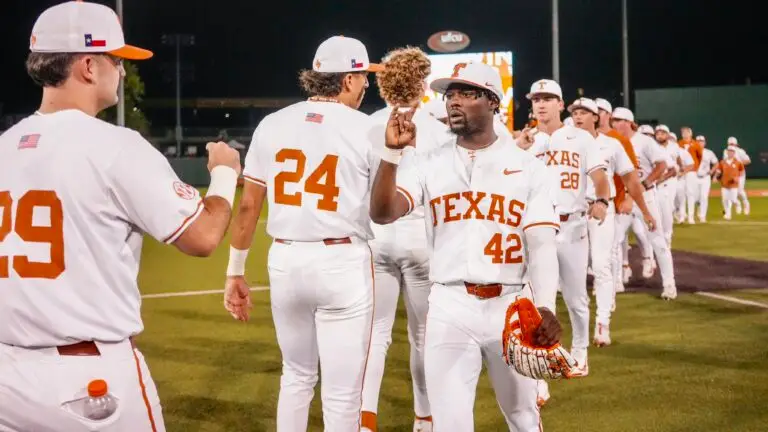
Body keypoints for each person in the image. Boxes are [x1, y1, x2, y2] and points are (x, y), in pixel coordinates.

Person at [0, 2, 241, 431]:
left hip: (8, 374)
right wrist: (224, 175)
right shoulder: (115, 145)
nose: (122, 71)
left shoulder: (5, 145)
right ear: (89, 65)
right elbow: (203, 237)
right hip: (89, 379)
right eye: (116, 59)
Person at [369, 62, 566, 431]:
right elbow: (382, 213)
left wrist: (544, 307)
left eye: (467, 93)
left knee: (523, 416)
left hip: (510, 304)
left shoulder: (528, 167)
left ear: (493, 102)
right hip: (448, 304)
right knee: (450, 424)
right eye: (450, 95)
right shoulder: (428, 162)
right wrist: (391, 155)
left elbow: (541, 245)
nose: (454, 102)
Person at [222, 35, 382, 431]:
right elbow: (385, 207)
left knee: (295, 377)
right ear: (346, 80)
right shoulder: (366, 128)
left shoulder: (273, 123)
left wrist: (235, 270)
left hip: (286, 259)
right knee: (343, 394)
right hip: (341, 261)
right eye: (363, 77)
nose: (367, 85)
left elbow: (248, 206)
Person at [362, 46, 450, 432]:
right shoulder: (439, 127)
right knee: (422, 337)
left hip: (377, 237)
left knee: (375, 335)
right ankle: (424, 417)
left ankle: (365, 419)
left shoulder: (366, 124)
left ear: (382, 83)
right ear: (423, 83)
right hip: (421, 239)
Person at [518, 80, 611, 378]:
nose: (541, 104)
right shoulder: (522, 141)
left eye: (548, 98)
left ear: (561, 104)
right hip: (533, 230)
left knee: (575, 298)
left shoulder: (580, 138)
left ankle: (580, 352)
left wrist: (602, 200)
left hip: (571, 226)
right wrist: (517, 149)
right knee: (535, 301)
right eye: (536, 99)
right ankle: (541, 362)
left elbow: (599, 176)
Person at [568, 98, 654, 347]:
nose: (578, 117)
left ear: (596, 117)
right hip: (572, 212)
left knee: (603, 265)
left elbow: (631, 181)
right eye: (575, 113)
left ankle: (602, 323)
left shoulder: (612, 145)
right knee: (573, 271)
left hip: (603, 210)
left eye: (584, 112)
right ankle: (579, 324)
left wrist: (645, 211)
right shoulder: (565, 142)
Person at [611, 108, 677, 300]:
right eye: (613, 120)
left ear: (628, 122)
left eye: (618, 120)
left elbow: (662, 165)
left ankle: (669, 284)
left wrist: (646, 183)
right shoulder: (613, 142)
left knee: (658, 241)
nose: (614, 123)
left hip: (645, 198)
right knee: (614, 241)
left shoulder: (644, 141)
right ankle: (616, 282)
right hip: (623, 197)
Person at [594, 98, 649, 288]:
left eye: (600, 111)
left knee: (614, 244)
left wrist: (628, 197)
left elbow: (631, 174)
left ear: (608, 114)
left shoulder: (620, 141)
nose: (596, 114)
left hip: (615, 200)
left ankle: (616, 282)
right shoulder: (585, 138)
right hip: (589, 202)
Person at [654, 125, 693, 248]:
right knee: (658, 209)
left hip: (670, 180)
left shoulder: (674, 146)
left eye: (662, 133)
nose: (660, 135)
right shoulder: (652, 146)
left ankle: (667, 236)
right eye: (658, 133)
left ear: (667, 134)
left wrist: (681, 168)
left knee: (668, 207)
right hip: (656, 180)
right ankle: (659, 235)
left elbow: (678, 159)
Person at [676, 127, 703, 224]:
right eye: (683, 132)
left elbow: (700, 157)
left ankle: (691, 216)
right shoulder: (679, 143)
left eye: (687, 132)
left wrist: (695, 167)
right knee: (681, 194)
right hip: (681, 171)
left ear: (691, 134)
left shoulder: (695, 144)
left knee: (691, 193)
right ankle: (682, 216)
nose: (685, 134)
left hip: (691, 171)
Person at [722, 137, 751, 215]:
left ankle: (746, 204)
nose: (731, 145)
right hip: (730, 175)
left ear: (736, 144)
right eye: (730, 144)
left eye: (733, 144)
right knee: (730, 192)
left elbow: (748, 160)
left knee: (739, 191)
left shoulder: (740, 151)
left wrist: (739, 163)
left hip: (740, 174)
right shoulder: (725, 151)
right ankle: (736, 206)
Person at [715, 146, 745, 220]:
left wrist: (737, 178)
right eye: (729, 151)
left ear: (734, 153)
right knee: (724, 200)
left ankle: (738, 204)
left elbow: (742, 171)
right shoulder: (722, 162)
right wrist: (716, 177)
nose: (730, 152)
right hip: (724, 184)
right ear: (727, 152)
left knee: (733, 199)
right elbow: (719, 171)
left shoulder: (738, 162)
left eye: (732, 151)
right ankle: (728, 214)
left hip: (733, 184)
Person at [694, 135, 718, 222]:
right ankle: (699, 206)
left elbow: (716, 163)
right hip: (694, 177)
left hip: (705, 177)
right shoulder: (692, 152)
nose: (700, 143)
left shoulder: (709, 152)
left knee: (704, 196)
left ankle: (702, 216)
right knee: (695, 198)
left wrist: (712, 171)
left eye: (702, 141)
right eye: (698, 141)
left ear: (705, 143)